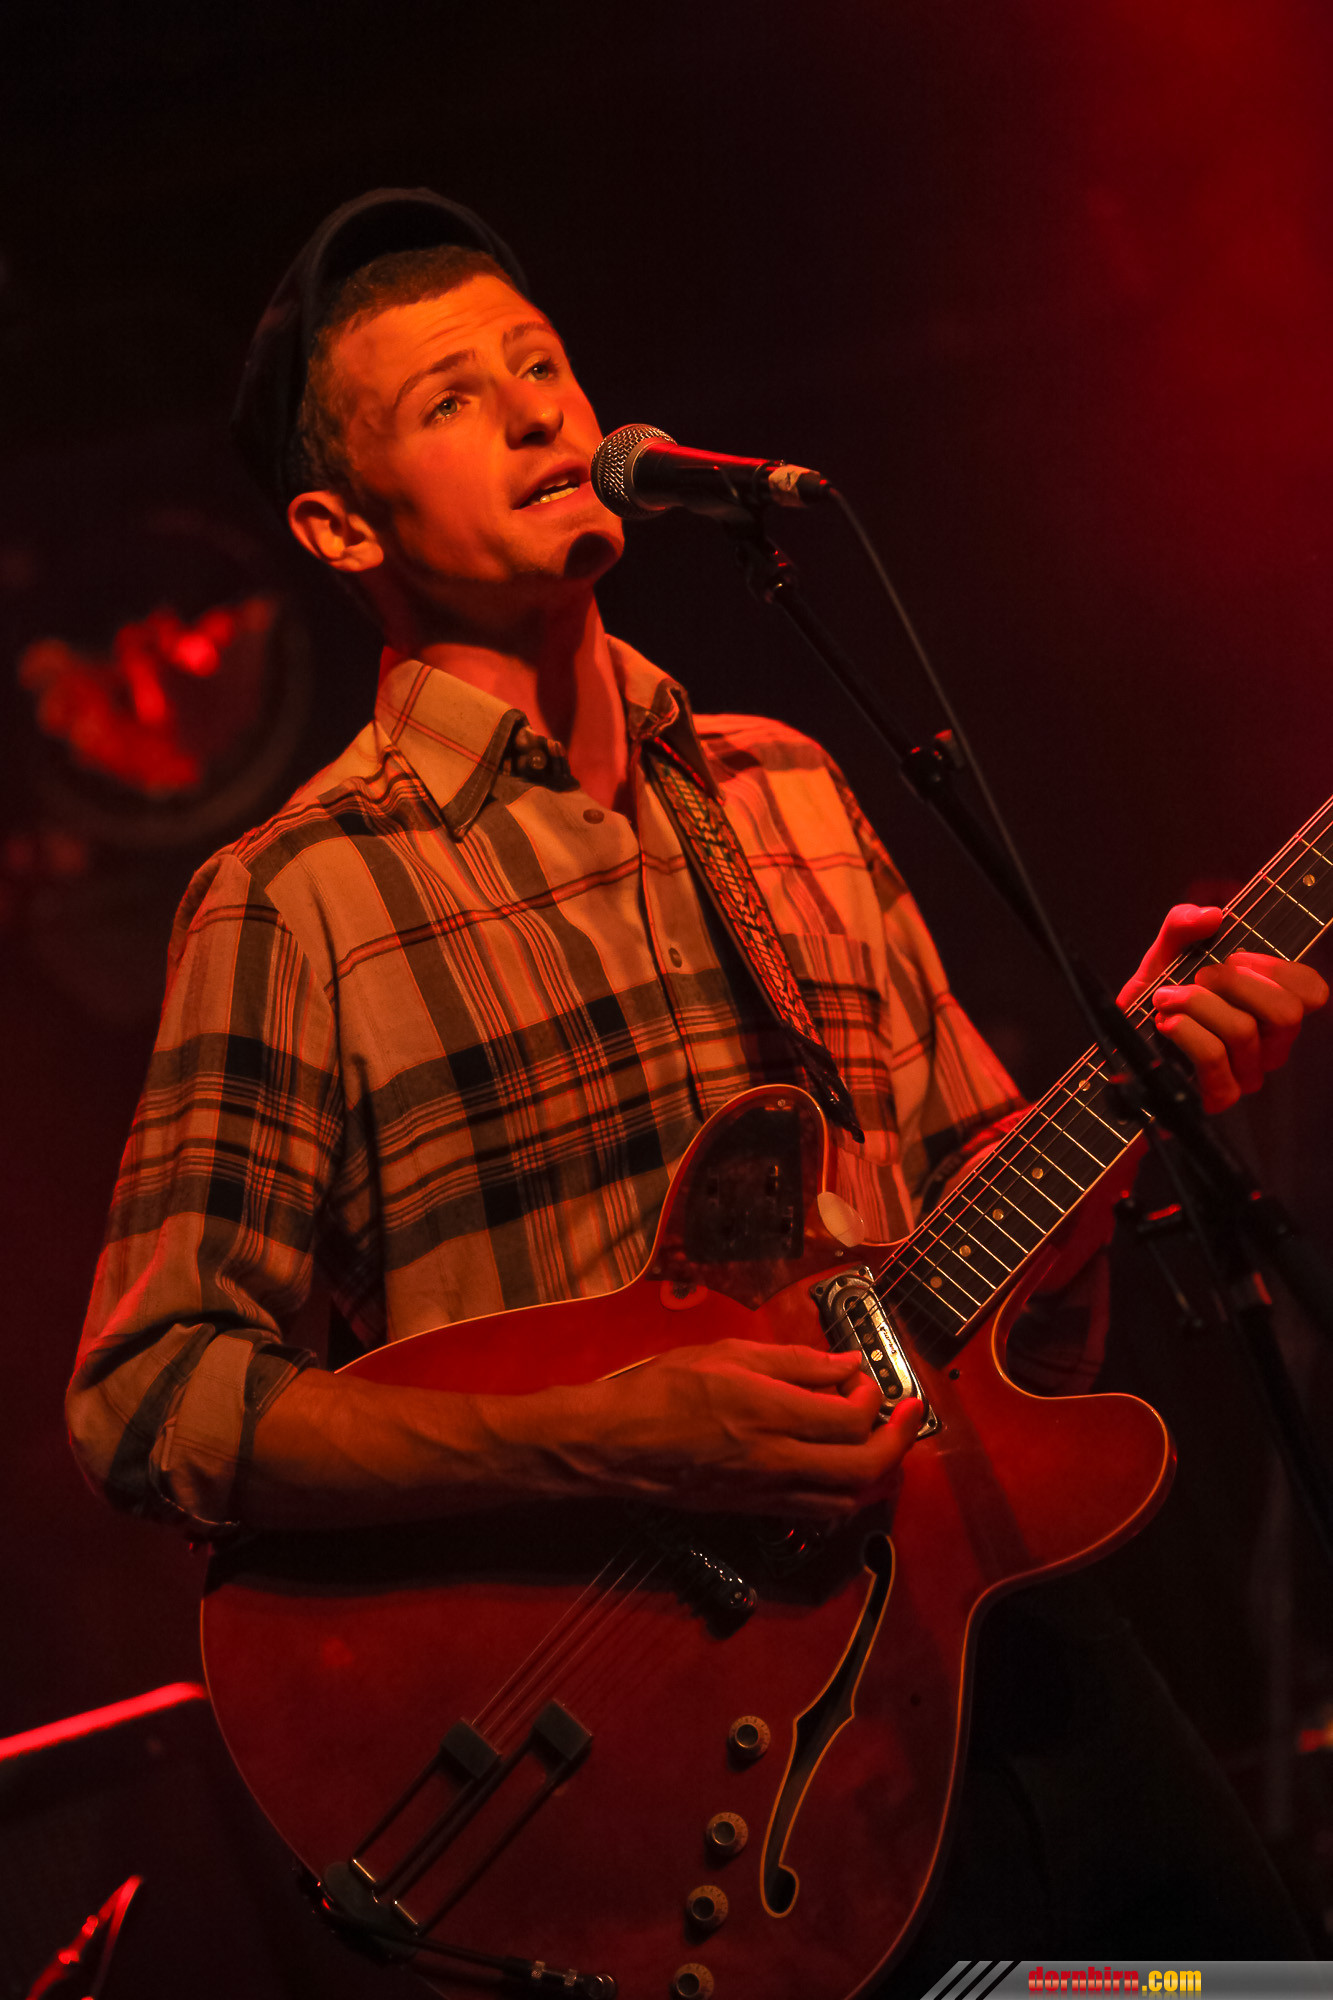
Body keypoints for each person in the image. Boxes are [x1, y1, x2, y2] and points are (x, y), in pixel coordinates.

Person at [67, 191, 1326, 1976]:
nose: (534, 412)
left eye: (541, 365)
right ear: (341, 527)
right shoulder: (302, 898)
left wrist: (1127, 1109)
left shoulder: (782, 783)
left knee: (1245, 1977)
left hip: (986, 1647)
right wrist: (609, 1428)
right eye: (449, 399)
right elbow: (149, 1400)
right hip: (671, 1769)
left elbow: (992, 1274)